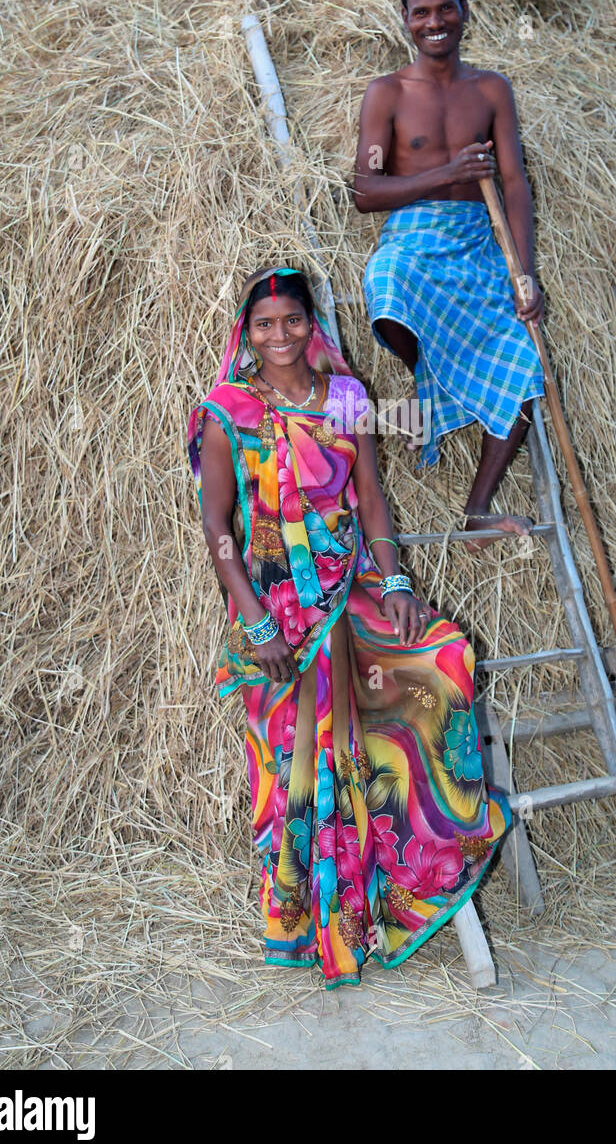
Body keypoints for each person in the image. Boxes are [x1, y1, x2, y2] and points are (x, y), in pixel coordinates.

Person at [187, 265, 511, 990]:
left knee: (445, 660)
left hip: (352, 591)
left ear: (313, 325)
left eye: (292, 321)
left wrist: (395, 580)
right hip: (279, 623)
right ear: (247, 330)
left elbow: (371, 502)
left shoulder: (347, 400)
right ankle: (318, 928)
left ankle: (406, 880)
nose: (280, 335)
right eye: (265, 323)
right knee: (300, 769)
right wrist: (254, 619)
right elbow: (216, 530)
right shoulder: (227, 413)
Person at [354, 0, 546, 549]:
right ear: (404, 19)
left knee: (525, 367)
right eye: (421, 12)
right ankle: (431, 377)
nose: (434, 21)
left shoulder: (490, 89)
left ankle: (478, 508)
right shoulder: (386, 94)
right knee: (385, 285)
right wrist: (445, 172)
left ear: (464, 11)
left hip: (474, 240)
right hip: (413, 236)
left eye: (445, 8)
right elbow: (365, 190)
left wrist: (526, 272)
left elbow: (514, 183)